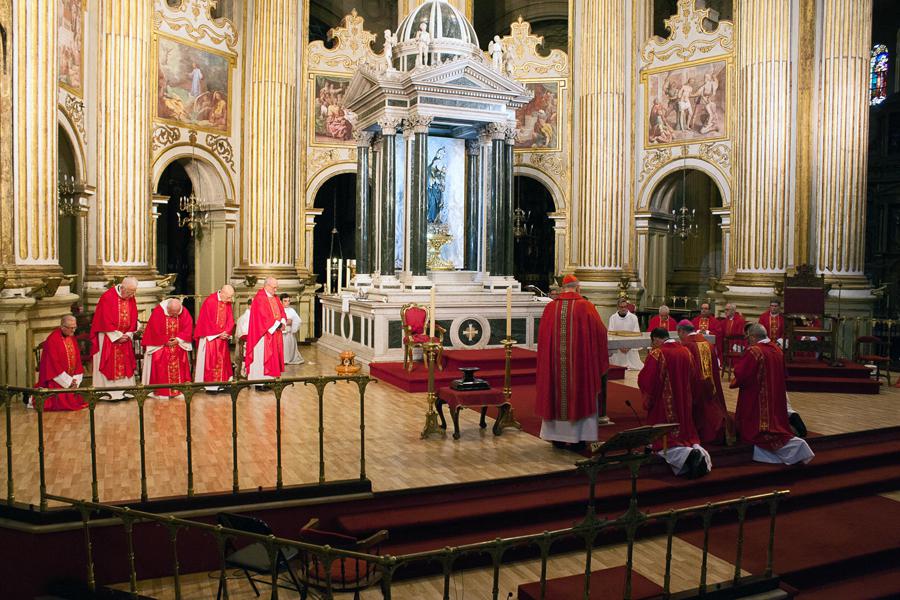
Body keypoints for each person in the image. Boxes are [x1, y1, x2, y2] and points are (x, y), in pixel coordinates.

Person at [535, 274, 609, 451]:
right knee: (580, 394)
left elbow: (543, 341)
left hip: (555, 368)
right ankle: (580, 439)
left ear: (562, 288)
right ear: (577, 288)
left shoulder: (551, 308)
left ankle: (557, 439)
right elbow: (601, 333)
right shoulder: (587, 307)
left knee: (556, 394)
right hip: (580, 367)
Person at [730, 324, 815, 465]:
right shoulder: (777, 349)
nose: (747, 340)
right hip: (775, 396)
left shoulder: (754, 351)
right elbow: (783, 375)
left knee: (756, 431)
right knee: (776, 422)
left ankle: (783, 449)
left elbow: (741, 373)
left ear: (753, 337)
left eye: (748, 337)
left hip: (758, 398)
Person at [638, 328, 711, 478]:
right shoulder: (686, 352)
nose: (653, 346)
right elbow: (694, 378)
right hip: (684, 403)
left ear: (656, 340)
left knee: (665, 439)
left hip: (664, 405)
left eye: (653, 343)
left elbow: (646, 380)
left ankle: (688, 456)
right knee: (686, 436)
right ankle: (698, 452)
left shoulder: (658, 354)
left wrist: (649, 399)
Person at [677, 320, 733, 445]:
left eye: (679, 333)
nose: (679, 336)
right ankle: (720, 428)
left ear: (681, 331)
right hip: (710, 384)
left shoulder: (686, 345)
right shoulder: (707, 343)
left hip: (694, 384)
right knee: (711, 405)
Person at [90, 277, 139, 400]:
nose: (131, 295)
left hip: (125, 338)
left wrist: (128, 334)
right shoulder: (107, 297)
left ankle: (126, 391)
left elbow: (133, 317)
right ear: (122, 287)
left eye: (133, 292)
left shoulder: (131, 297)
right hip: (108, 337)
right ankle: (108, 394)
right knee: (109, 362)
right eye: (129, 292)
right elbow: (103, 319)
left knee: (125, 363)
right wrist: (116, 336)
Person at [141, 298, 193, 398]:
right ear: (167, 308)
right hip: (161, 345)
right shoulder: (158, 311)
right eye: (172, 313)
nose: (175, 316)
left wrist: (178, 339)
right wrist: (165, 341)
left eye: (177, 313)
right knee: (160, 357)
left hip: (177, 344)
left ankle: (179, 390)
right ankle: (161, 391)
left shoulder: (183, 311)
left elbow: (188, 327)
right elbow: (154, 331)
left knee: (181, 356)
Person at [35, 315, 86, 411]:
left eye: (75, 327)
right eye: (71, 328)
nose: (74, 330)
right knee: (63, 403)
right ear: (62, 327)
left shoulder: (71, 337)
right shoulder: (52, 340)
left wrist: (75, 379)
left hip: (71, 378)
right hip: (57, 379)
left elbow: (78, 359)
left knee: (75, 401)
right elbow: (53, 365)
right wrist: (68, 381)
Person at [245, 277, 287, 384]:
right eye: (274, 287)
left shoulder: (276, 298)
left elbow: (282, 311)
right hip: (262, 335)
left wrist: (283, 321)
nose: (276, 290)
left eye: (276, 287)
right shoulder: (260, 298)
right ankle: (260, 383)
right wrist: (277, 324)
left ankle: (269, 381)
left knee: (274, 357)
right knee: (262, 358)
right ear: (267, 286)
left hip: (274, 333)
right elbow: (264, 317)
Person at [194, 285, 236, 389]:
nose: (230, 300)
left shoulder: (227, 302)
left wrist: (227, 331)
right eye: (228, 297)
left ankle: (222, 384)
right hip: (210, 339)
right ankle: (211, 386)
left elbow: (230, 319)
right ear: (222, 293)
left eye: (231, 297)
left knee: (223, 361)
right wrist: (219, 333)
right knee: (211, 362)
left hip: (222, 339)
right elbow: (207, 322)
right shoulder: (210, 302)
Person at [608, 298, 643, 370]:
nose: (623, 309)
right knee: (615, 365)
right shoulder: (613, 318)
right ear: (617, 307)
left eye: (625, 307)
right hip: (618, 346)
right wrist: (620, 346)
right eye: (621, 307)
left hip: (630, 347)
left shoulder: (633, 317)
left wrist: (628, 346)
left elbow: (636, 333)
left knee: (635, 366)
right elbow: (611, 334)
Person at [280, 293, 304, 365]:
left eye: (288, 301)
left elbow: (298, 320)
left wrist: (292, 322)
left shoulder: (291, 310)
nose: (287, 303)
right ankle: (282, 360)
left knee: (289, 345)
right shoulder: (277, 310)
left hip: (289, 332)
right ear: (281, 301)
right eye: (285, 301)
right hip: (280, 332)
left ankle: (289, 358)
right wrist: (285, 322)